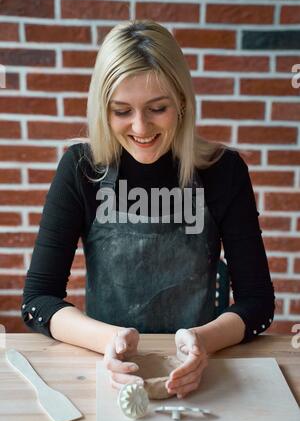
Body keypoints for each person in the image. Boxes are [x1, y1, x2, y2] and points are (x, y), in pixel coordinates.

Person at [22, 20, 275, 400]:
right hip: (108, 372)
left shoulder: (225, 172)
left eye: (157, 108)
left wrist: (202, 342)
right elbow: (38, 300)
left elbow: (258, 303)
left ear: (183, 103)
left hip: (197, 372)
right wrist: (109, 341)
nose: (141, 127)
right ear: (102, 110)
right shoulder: (80, 170)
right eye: (121, 111)